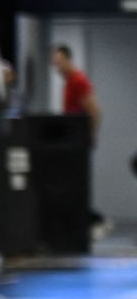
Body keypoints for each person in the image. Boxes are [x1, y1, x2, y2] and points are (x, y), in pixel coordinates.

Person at [52, 44, 105, 233]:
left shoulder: (78, 81)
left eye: (59, 62)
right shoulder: (68, 83)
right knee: (70, 184)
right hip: (71, 140)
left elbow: (95, 111)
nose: (56, 67)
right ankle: (85, 221)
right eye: (54, 63)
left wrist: (90, 136)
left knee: (76, 184)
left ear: (68, 60)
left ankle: (95, 221)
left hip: (78, 141)